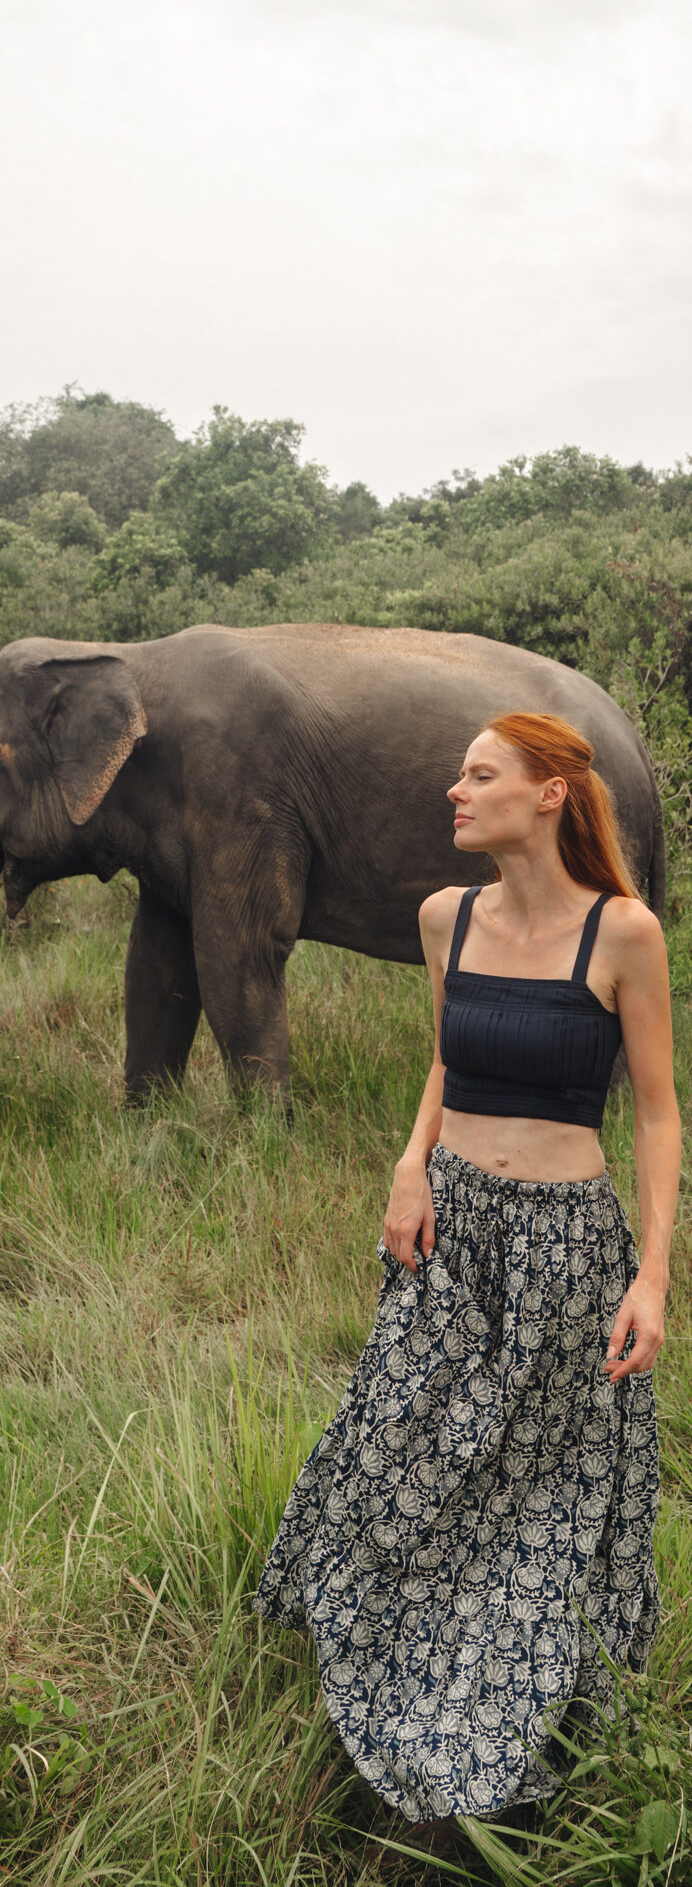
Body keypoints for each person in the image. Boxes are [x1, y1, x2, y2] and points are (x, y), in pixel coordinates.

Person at [253, 712, 680, 1825]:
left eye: (480, 774)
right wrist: (411, 1163)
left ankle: (504, 1695)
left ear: (548, 793)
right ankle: (386, 1643)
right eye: (459, 774)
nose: (455, 789)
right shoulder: (447, 918)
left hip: (564, 1250)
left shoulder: (623, 933)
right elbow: (446, 1060)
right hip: (453, 1231)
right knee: (399, 1443)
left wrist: (650, 1278)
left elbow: (655, 1112)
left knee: (538, 1482)